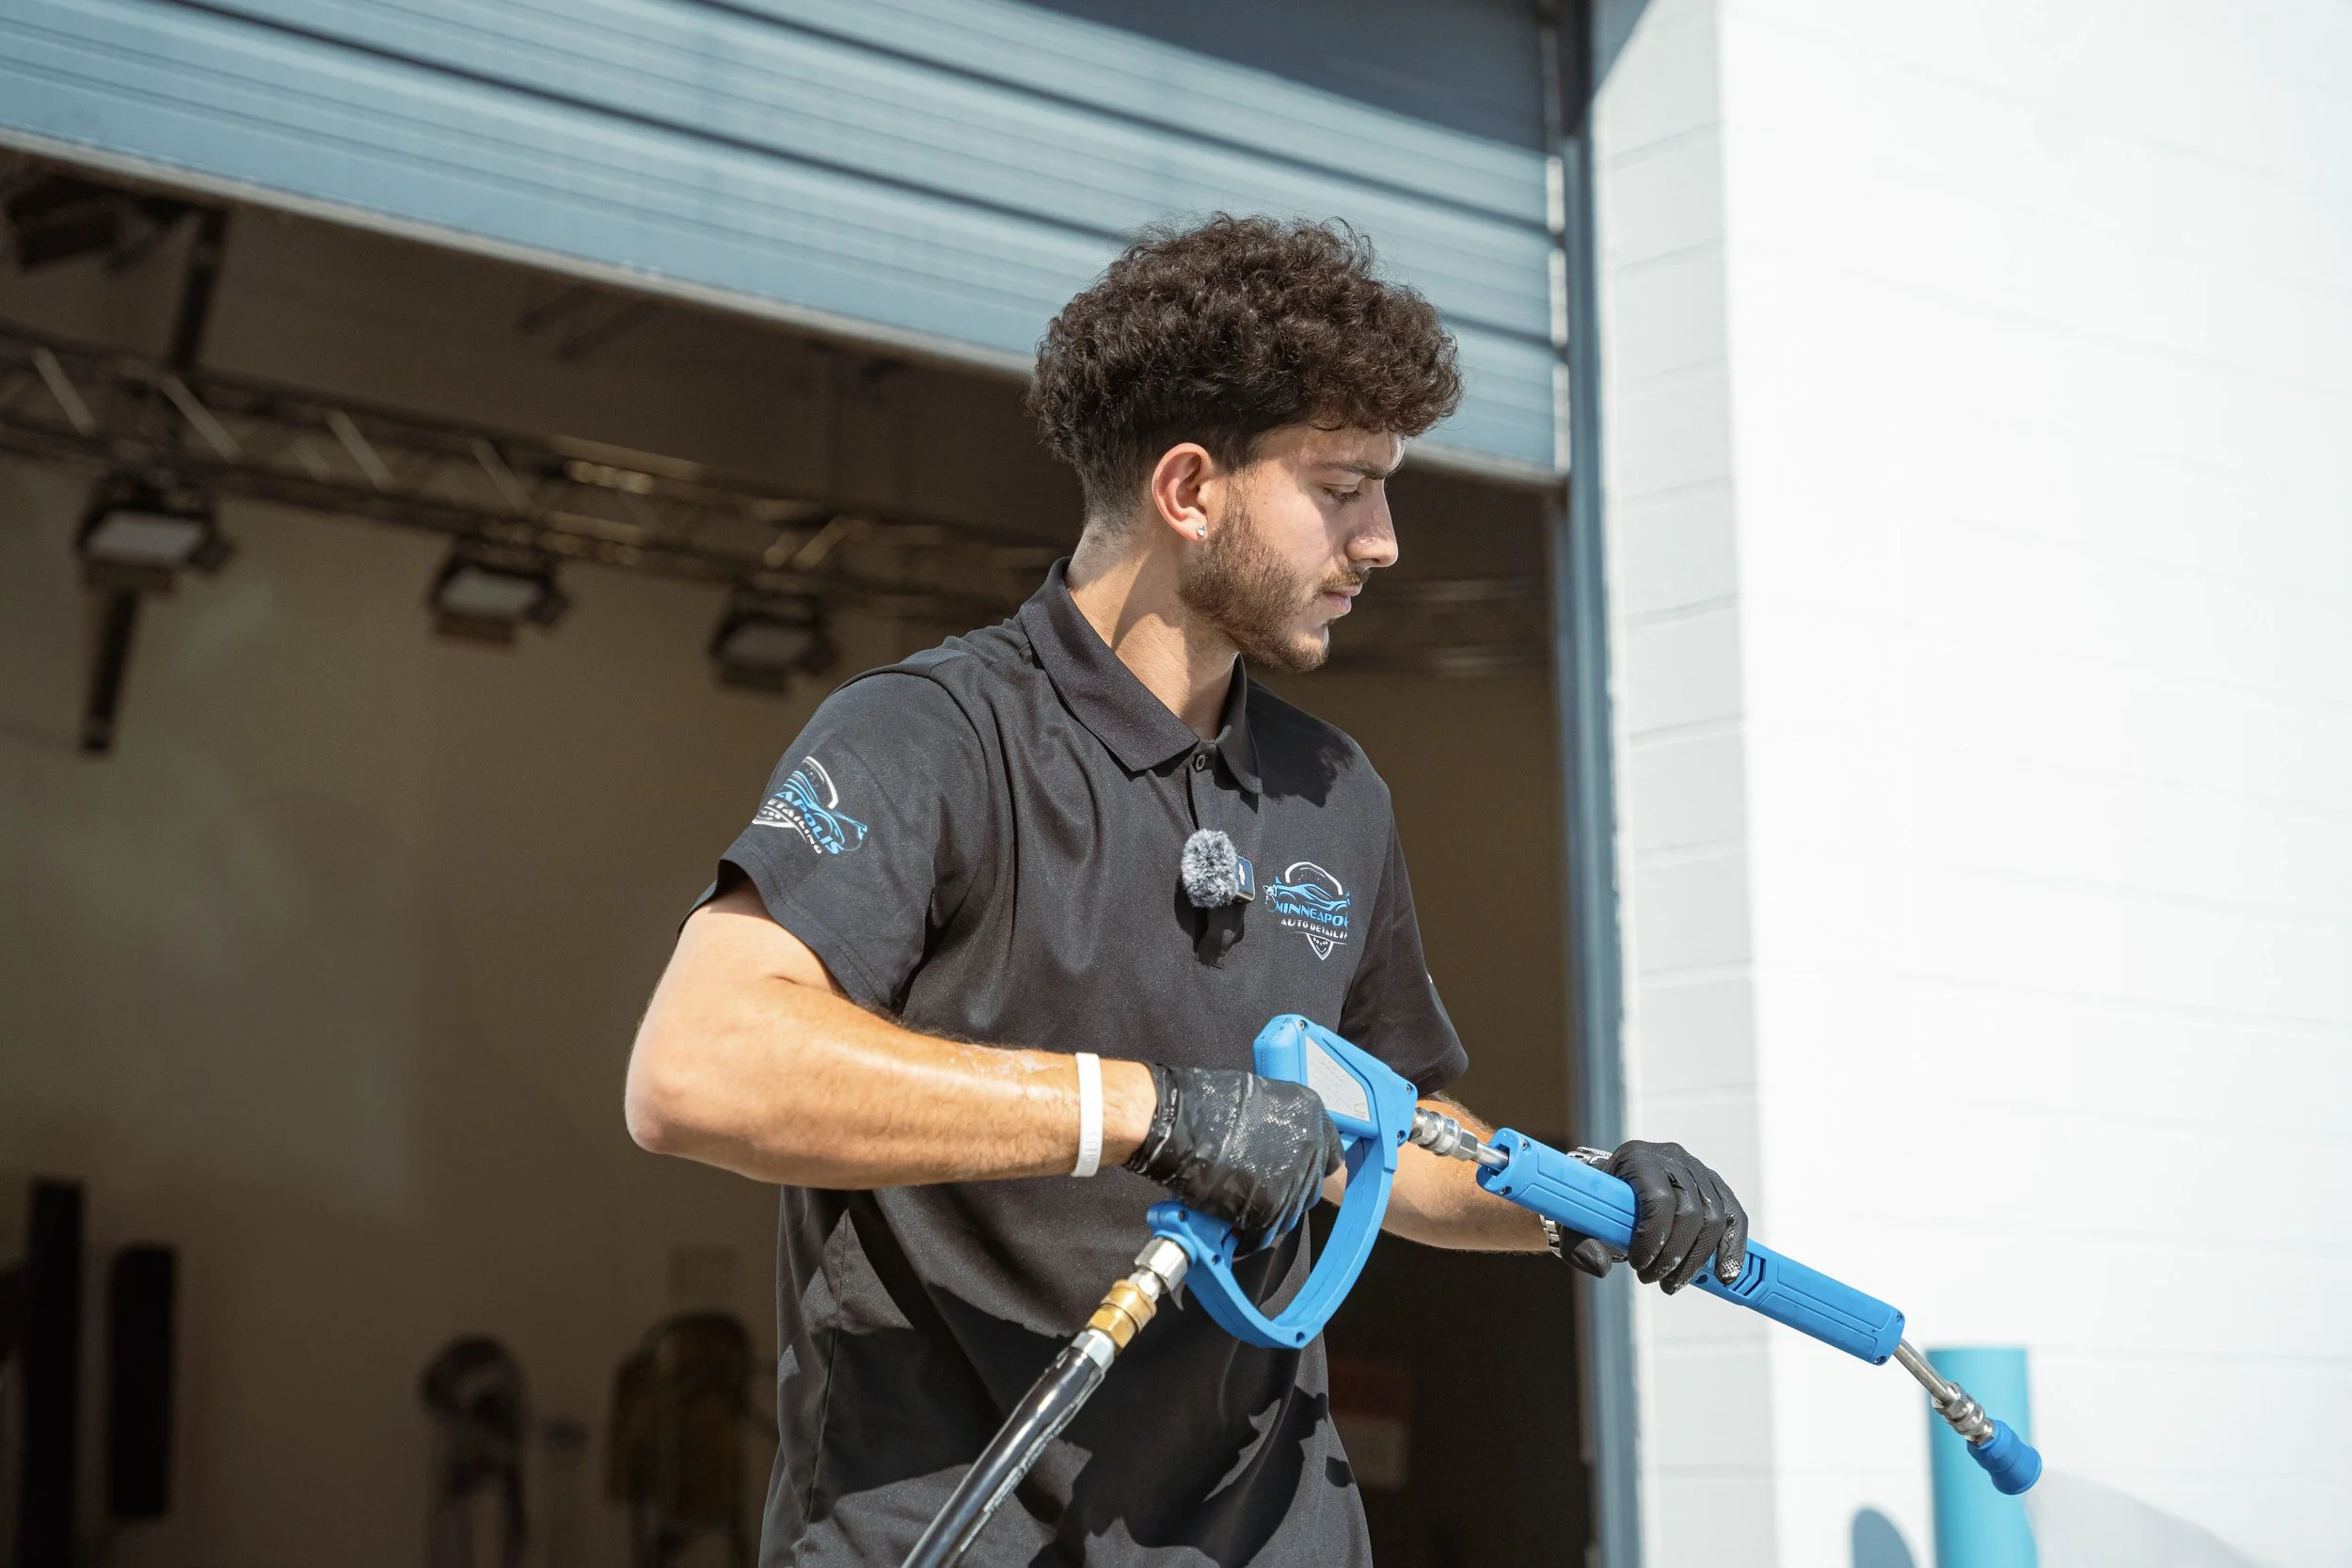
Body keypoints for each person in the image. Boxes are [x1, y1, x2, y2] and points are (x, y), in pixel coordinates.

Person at [625, 215, 1749, 1567]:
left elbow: (1376, 1143)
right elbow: (698, 1070)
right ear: (1189, 489)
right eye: (1343, 487)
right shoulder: (931, 738)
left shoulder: (1334, 791)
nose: (1385, 540)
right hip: (952, 1533)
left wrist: (1586, 1194)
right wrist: (1147, 1114)